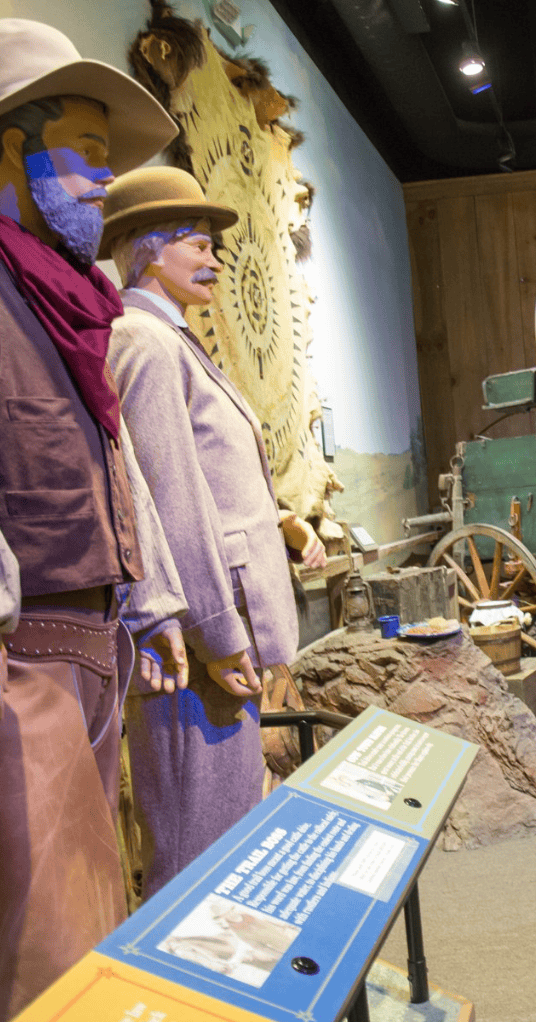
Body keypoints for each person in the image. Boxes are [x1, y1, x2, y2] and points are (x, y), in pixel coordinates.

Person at [0, 20, 191, 1022]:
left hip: (91, 642)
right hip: (19, 656)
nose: (105, 179)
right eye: (87, 155)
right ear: (16, 145)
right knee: (38, 943)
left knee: (95, 910)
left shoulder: (78, 303)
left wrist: (153, 602)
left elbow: (113, 456)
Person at [100, 166, 327, 900]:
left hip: (216, 637)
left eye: (214, 246)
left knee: (227, 827)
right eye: (195, 243)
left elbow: (219, 481)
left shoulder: (175, 341)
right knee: (197, 843)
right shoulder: (144, 340)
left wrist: (284, 522)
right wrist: (212, 627)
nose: (214, 258)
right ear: (144, 248)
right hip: (198, 642)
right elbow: (170, 499)